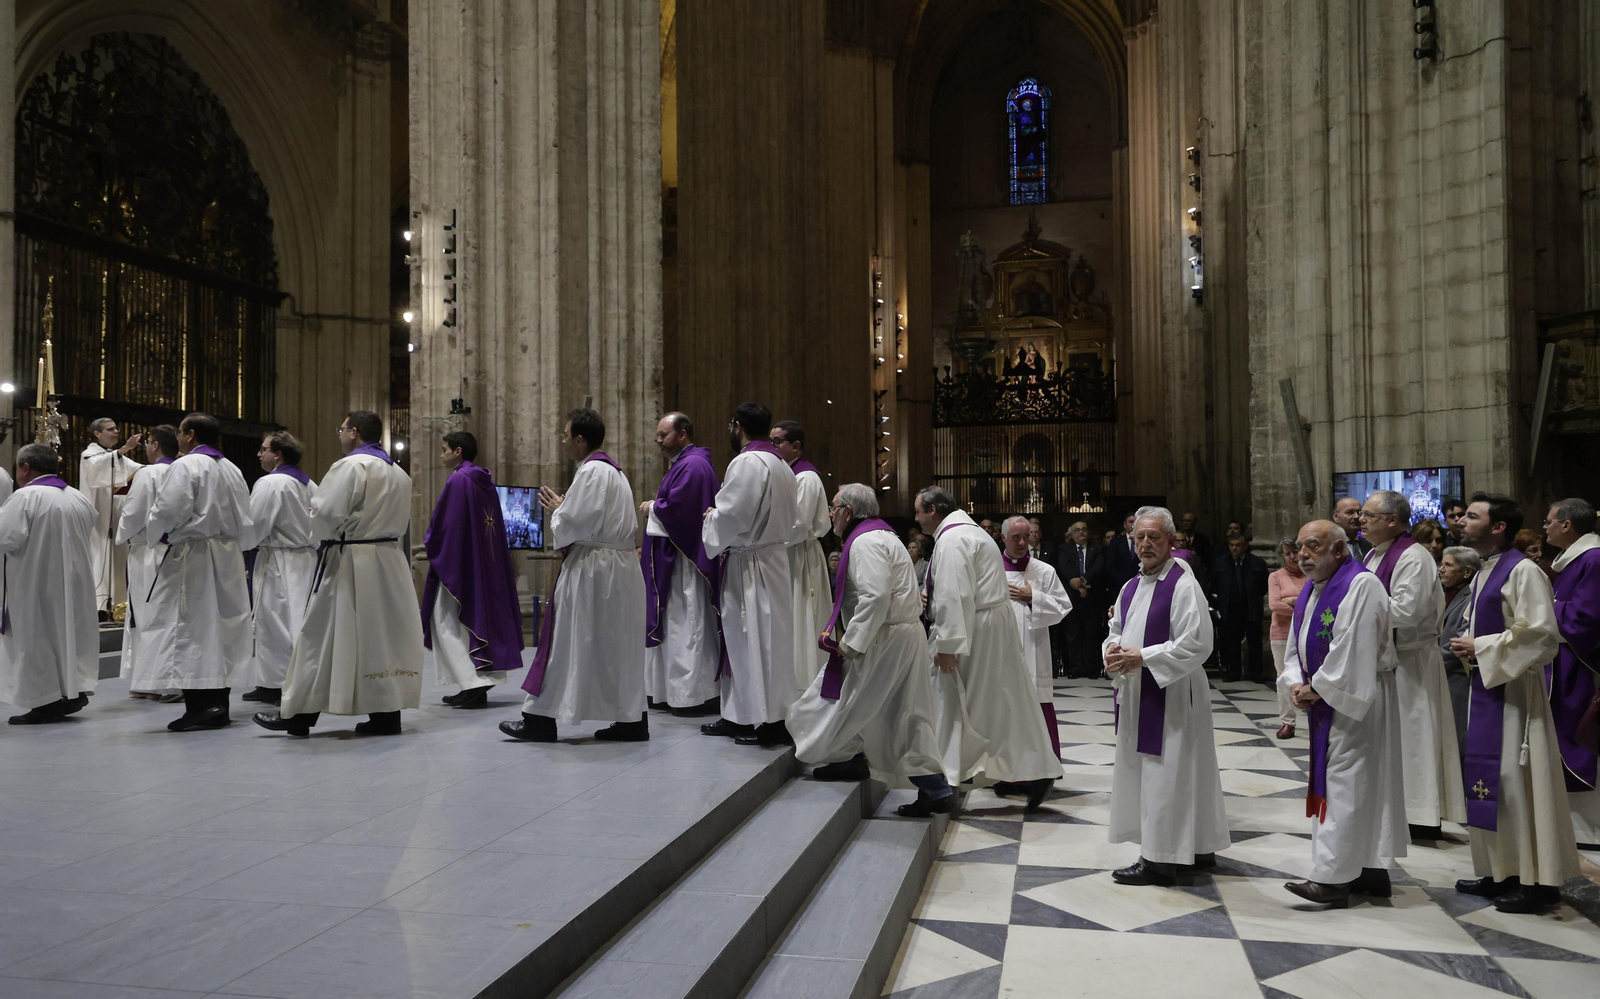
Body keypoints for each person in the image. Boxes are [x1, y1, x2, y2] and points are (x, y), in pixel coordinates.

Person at [254, 412, 424, 737]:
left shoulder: (350, 466)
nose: (340, 435)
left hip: (351, 561)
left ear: (354, 432)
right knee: (381, 640)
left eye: (341, 429)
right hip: (389, 561)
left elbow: (325, 515)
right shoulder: (398, 472)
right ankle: (386, 716)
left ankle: (298, 715)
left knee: (319, 637)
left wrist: (317, 530)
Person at [1450, 492, 1578, 913]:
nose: (1462, 521)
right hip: (1489, 688)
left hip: (1517, 695)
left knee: (1518, 784)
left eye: (1472, 516)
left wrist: (1481, 646)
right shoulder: (1486, 569)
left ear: (1498, 526)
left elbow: (1542, 634)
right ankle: (1500, 871)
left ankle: (1537, 882)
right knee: (1495, 784)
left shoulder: (1523, 570)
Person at [786, 483, 947, 795]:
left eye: (833, 507)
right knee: (898, 711)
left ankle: (929, 785)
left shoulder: (866, 542)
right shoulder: (882, 535)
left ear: (847, 511)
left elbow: (875, 596)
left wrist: (851, 643)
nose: (830, 513)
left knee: (834, 701)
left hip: (883, 636)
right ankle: (857, 761)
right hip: (895, 632)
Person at [1279, 521, 1407, 907]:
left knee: (1345, 784)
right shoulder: (1313, 589)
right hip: (1330, 696)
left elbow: (1355, 647)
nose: (1303, 555)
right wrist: (1295, 683)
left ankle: (1332, 879)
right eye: (1299, 547)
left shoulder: (1360, 584)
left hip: (1355, 700)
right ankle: (1369, 870)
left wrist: (1317, 687)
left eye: (1312, 547)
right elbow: (1295, 646)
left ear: (1338, 550)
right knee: (1356, 783)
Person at [501, 409, 646, 742]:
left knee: (563, 642)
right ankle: (632, 721)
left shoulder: (591, 471)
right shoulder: (615, 472)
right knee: (618, 648)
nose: (563, 441)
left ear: (580, 440)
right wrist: (567, 509)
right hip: (618, 569)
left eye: (565, 436)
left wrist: (558, 512)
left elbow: (573, 525)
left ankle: (538, 721)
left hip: (592, 570)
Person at [1103, 506, 1228, 886]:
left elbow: (1197, 642)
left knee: (1168, 771)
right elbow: (1115, 628)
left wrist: (1143, 656)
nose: (1145, 544)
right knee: (1175, 770)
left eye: (1154, 537)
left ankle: (1159, 860)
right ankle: (1197, 847)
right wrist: (1111, 650)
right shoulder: (1131, 586)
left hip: (1172, 694)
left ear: (1171, 541)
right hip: (1139, 688)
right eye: (1139, 537)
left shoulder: (1183, 584)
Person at [916, 486, 1059, 814]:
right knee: (1003, 704)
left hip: (973, 629)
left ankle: (944, 785)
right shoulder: (970, 531)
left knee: (950, 703)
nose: (916, 518)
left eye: (918, 511)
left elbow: (955, 594)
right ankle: (1037, 769)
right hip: (990, 625)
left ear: (933, 510)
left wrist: (948, 644)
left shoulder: (953, 538)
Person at [1359, 490, 1465, 840]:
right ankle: (1392, 807)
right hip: (1384, 659)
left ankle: (1419, 815)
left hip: (1411, 662)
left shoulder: (1413, 556)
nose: (1361, 520)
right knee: (1391, 738)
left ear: (1392, 520)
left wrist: (1354, 609)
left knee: (1415, 738)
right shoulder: (1374, 554)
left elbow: (1407, 611)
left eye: (1368, 515)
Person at [144, 412, 254, 731]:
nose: (177, 438)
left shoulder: (187, 465)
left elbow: (168, 509)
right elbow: (246, 516)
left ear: (190, 435)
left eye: (180, 432)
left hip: (196, 554)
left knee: (193, 628)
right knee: (223, 629)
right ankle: (220, 705)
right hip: (228, 554)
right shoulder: (231, 468)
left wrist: (157, 533)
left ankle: (201, 707)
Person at [701, 403, 799, 747]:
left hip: (750, 565)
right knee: (771, 643)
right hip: (773, 560)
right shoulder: (782, 464)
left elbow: (733, 516)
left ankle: (763, 721)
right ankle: (744, 715)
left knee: (750, 641)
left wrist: (711, 517)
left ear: (738, 426)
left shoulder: (747, 462)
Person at [421, 430, 523, 710]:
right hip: (483, 563)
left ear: (458, 451)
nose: (441, 455)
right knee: (465, 623)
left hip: (460, 565)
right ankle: (471, 684)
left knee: (444, 621)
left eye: (444, 449)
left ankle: (473, 684)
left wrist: (432, 543)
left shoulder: (459, 480)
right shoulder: (483, 481)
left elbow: (446, 526)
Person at [0, 444, 98, 724]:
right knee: (69, 636)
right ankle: (72, 691)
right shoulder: (78, 497)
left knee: (37, 636)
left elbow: (5, 537)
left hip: (37, 582)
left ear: (25, 468)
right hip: (74, 582)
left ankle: (45, 702)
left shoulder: (25, 497)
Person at [642, 412, 723, 716]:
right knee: (678, 627)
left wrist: (652, 507)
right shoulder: (684, 464)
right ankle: (671, 692)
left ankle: (691, 695)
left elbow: (681, 511)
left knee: (687, 627)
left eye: (663, 435)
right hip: (676, 563)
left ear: (683, 433)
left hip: (686, 565)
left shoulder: (694, 466)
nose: (658, 440)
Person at [237, 431, 318, 707]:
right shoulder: (309, 484)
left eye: (264, 449)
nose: (259, 454)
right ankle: (271, 682)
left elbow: (254, 525)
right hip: (306, 559)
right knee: (287, 622)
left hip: (279, 561)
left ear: (278, 454)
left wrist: (240, 544)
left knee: (277, 622)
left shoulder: (271, 483)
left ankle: (284, 685)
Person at [1544, 497, 1600, 846]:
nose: (1544, 527)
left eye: (1549, 521)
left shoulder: (1593, 559)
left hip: (1582, 666)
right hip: (1566, 660)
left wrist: (1545, 606)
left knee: (1583, 736)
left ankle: (1590, 828)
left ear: (1567, 525)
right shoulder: (1575, 559)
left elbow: (1586, 619)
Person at [116, 425, 180, 701]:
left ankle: (156, 681)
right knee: (167, 614)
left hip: (148, 551)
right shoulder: (183, 470)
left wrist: (122, 533)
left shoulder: (148, 473)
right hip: (177, 549)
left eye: (148, 442)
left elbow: (133, 513)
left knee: (147, 615)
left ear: (155, 445)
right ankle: (148, 679)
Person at [1000, 515, 1071, 761]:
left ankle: (1041, 769)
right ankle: (1007, 770)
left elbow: (1063, 607)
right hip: (1001, 650)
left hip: (1034, 647)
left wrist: (1034, 597)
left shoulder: (1044, 570)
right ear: (1003, 538)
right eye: (1016, 537)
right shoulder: (991, 570)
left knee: (1037, 702)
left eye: (1026, 536)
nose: (1022, 542)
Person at [771, 420, 831, 691]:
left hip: (800, 555)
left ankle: (803, 686)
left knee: (801, 618)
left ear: (795, 446)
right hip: (786, 553)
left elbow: (799, 524)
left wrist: (765, 540)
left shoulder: (805, 477)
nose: (772, 447)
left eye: (777, 441)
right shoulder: (785, 473)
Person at [79, 417, 141, 617]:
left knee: (118, 559)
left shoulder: (114, 456)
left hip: (115, 517)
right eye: (110, 429)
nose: (116, 431)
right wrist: (125, 449)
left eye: (116, 428)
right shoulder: (89, 455)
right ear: (97, 433)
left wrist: (167, 463)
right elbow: (96, 469)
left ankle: (118, 604)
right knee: (100, 556)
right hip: (98, 518)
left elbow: (141, 471)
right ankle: (99, 604)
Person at [1438, 546, 1480, 761]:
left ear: (1466, 572)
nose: (1441, 569)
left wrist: (1431, 660)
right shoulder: (1439, 592)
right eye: (1441, 564)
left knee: (1456, 738)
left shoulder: (1472, 597)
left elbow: (1461, 639)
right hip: (1438, 675)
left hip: (1457, 676)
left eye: (1448, 565)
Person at [1210, 533, 1268, 683]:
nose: (1234, 548)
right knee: (1231, 642)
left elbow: (1263, 585)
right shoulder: (1221, 563)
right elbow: (1215, 584)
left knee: (1254, 642)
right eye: (1231, 545)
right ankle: (1233, 672)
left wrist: (1255, 597)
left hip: (1251, 607)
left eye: (1238, 545)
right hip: (1230, 608)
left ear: (1245, 546)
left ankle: (1256, 672)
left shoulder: (1257, 563)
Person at [1266, 537, 1305, 739]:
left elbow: (1317, 602)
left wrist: (1290, 600)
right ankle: (1287, 722)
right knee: (1283, 677)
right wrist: (1303, 607)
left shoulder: (1311, 575)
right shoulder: (1276, 577)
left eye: (1295, 551)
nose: (1293, 557)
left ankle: (1316, 719)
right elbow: (1274, 605)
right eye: (1288, 553)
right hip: (1281, 632)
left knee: (1311, 677)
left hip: (1305, 632)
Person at [1059, 521, 1102, 678]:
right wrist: (1077, 586)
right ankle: (1075, 668)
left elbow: (1098, 567)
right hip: (1072, 597)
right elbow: (1063, 567)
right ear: (1071, 534)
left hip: (1092, 597)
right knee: (1073, 635)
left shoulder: (1097, 548)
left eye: (1084, 529)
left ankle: (1091, 668)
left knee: (1091, 635)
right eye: (1077, 530)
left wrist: (1082, 581)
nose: (1081, 532)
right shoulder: (1064, 549)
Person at [1333, 496, 1373, 560]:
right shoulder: (1329, 547)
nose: (1357, 516)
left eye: (1359, 512)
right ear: (1336, 517)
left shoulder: (1370, 546)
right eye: (1350, 512)